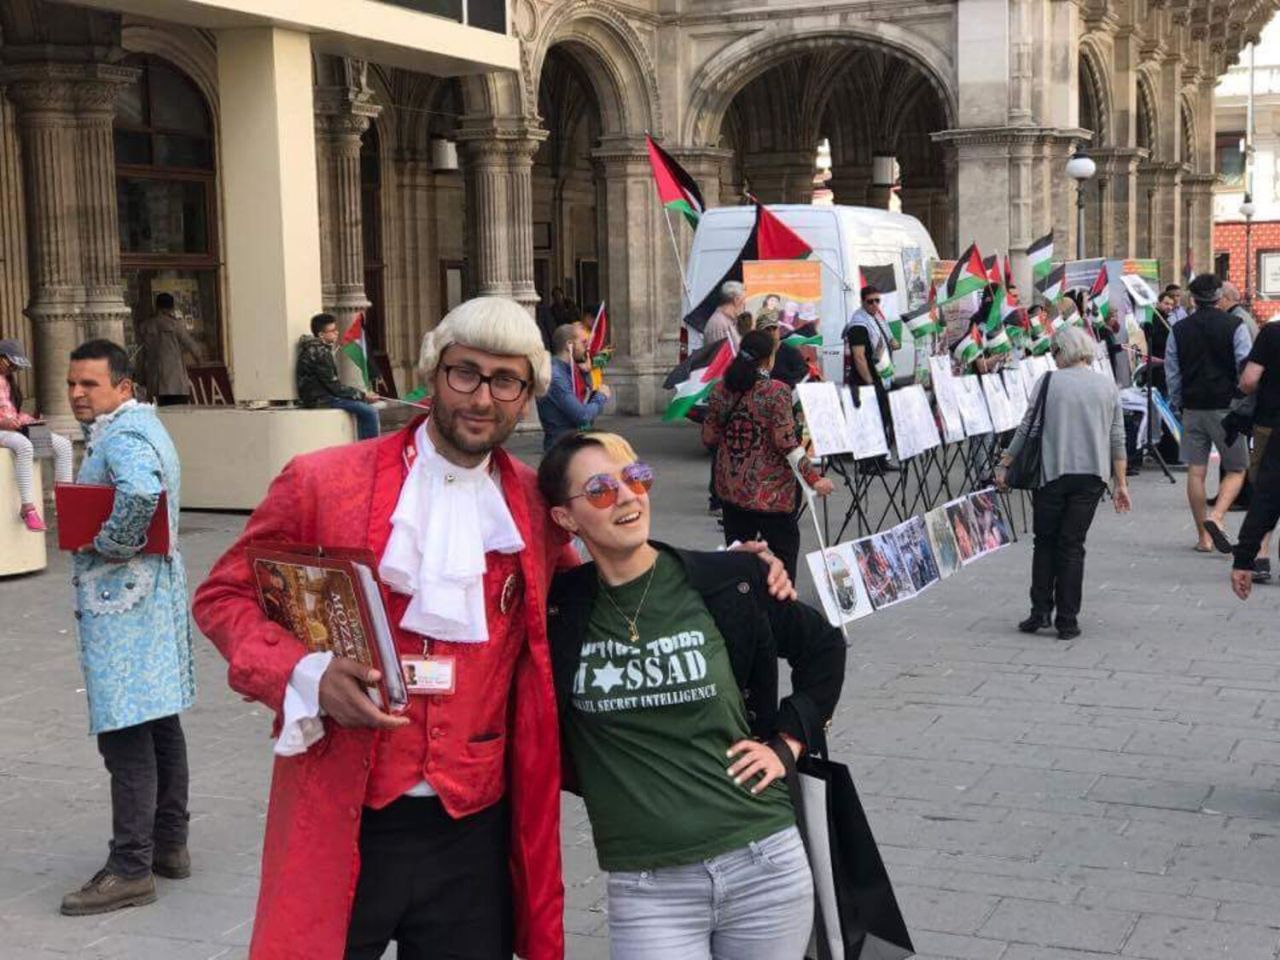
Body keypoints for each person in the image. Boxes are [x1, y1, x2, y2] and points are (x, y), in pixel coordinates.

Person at [193, 297, 796, 959]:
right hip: (347, 816)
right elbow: (224, 595)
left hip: (475, 831)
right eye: (465, 373)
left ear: (527, 395)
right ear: (433, 374)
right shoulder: (323, 482)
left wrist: (724, 570)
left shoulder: (533, 505)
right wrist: (305, 674)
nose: (482, 398)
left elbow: (608, 574)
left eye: (506, 381)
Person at [537, 431, 845, 960]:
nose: (628, 497)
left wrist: (788, 743)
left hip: (764, 864)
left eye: (636, 479)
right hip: (647, 887)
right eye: (601, 490)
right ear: (566, 518)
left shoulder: (728, 581)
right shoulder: (555, 609)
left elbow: (823, 648)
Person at [60, 339, 195, 915]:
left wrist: (112, 543)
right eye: (72, 382)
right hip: (151, 595)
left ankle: (131, 868)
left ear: (123, 387)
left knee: (126, 731)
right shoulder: (143, 426)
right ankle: (169, 843)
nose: (76, 393)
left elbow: (141, 491)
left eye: (89, 384)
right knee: (159, 719)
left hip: (126, 603)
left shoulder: (122, 436)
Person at [997, 326, 1131, 640]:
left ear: (1061, 351)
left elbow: (1027, 428)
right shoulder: (1107, 385)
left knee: (1045, 542)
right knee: (1072, 545)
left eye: (1053, 351)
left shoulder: (1049, 382)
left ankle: (1040, 611)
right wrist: (1121, 483)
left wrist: (1005, 462)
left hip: (1052, 473)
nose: (1053, 358)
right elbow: (1117, 438)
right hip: (1093, 477)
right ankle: (1068, 620)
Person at [703, 329, 834, 580]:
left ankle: (743, 599)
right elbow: (787, 443)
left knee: (739, 558)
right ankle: (780, 601)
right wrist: (814, 479)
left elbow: (709, 437)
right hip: (770, 493)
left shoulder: (720, 389)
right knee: (783, 556)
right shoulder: (776, 391)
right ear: (768, 359)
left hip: (731, 490)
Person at [1166, 273, 1252, 553]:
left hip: (1193, 406)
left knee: (1196, 471)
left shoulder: (1178, 329)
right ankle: (1216, 515)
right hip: (1227, 407)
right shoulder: (1235, 326)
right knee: (1237, 468)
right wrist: (1243, 401)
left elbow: (1172, 371)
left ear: (1192, 298)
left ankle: (1203, 537)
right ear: (1218, 296)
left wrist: (1179, 402)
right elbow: (1244, 366)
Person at [0, 338, 73, 531]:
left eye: (16, 367)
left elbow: (12, 412)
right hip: (3, 430)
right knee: (24, 445)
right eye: (11, 364)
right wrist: (3, 423)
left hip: (14, 427)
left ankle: (65, 503)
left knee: (63, 446)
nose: (14, 369)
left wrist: (31, 420)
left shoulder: (7, 381)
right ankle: (28, 508)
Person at [1237, 316, 1280, 581]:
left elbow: (1249, 380)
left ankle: (1260, 554)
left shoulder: (1272, 333)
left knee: (1267, 488)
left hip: (1269, 422)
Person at [296, 312, 382, 441]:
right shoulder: (320, 353)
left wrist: (360, 396)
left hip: (321, 395)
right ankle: (368, 449)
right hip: (320, 399)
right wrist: (363, 395)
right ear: (321, 335)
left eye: (336, 329)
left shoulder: (317, 349)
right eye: (332, 331)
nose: (336, 333)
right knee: (369, 411)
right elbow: (335, 387)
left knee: (363, 406)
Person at [537, 322, 611, 450]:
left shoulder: (570, 371)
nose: (587, 347)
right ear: (569, 345)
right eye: (583, 343)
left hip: (571, 443)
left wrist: (585, 374)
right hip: (560, 448)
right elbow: (583, 416)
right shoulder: (556, 377)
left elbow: (584, 399)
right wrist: (601, 396)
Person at [138, 293, 203, 405]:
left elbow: (141, 355)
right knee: (178, 413)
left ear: (156, 306)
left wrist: (140, 377)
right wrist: (200, 362)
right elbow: (193, 347)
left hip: (155, 384)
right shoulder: (175, 325)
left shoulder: (145, 326)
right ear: (172, 307)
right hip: (175, 384)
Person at [758, 312, 808, 388]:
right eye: (767, 329)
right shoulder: (756, 354)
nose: (772, 332)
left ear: (778, 330)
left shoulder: (791, 352)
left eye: (774, 328)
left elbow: (804, 378)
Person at [704, 281, 746, 352]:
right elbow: (720, 355)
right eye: (744, 299)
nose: (745, 304)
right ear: (736, 300)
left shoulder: (728, 321)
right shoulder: (719, 323)